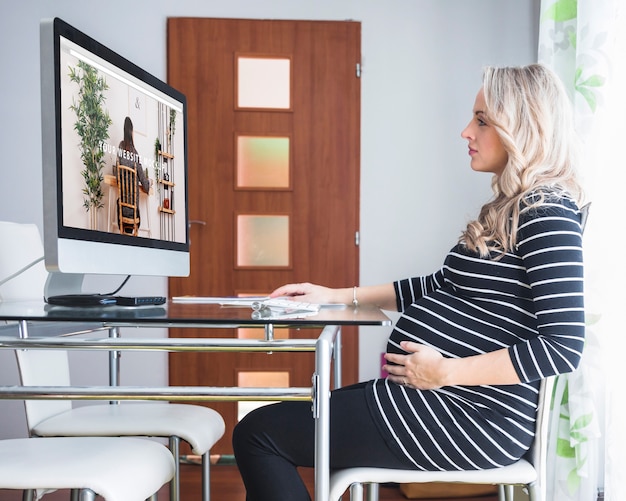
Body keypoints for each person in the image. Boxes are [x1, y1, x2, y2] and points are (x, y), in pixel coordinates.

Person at [232, 63, 586, 501]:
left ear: (523, 128)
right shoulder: (513, 208)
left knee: (257, 434)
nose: (465, 132)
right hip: (440, 402)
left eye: (481, 120)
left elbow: (565, 346)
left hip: (470, 416)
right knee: (297, 425)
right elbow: (440, 285)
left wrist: (446, 372)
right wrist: (335, 295)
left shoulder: (548, 213)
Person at [117, 116, 151, 234]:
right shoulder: (135, 153)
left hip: (122, 211)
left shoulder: (120, 148)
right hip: (133, 214)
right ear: (131, 132)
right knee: (136, 208)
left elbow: (118, 177)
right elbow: (144, 184)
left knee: (118, 201)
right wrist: (149, 183)